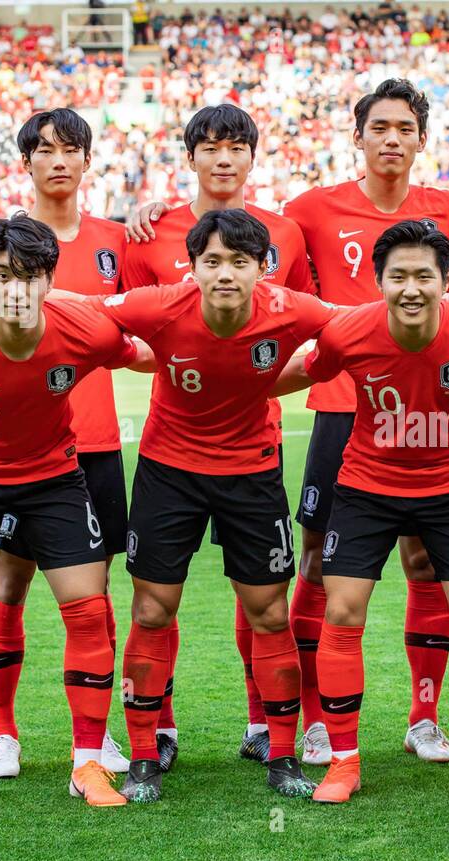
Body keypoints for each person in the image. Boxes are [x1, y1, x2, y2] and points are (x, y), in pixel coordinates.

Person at [272, 220, 449, 804]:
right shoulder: (349, 332)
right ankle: (342, 763)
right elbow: (297, 373)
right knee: (341, 610)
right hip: (366, 486)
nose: (411, 288)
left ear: (445, 281)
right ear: (379, 281)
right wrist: (234, 384)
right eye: (398, 277)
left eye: (424, 276)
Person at [89, 209, 342, 801]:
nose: (225, 274)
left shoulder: (291, 309)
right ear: (193, 267)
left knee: (271, 615)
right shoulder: (159, 304)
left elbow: (359, 324)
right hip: (167, 474)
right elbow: (83, 310)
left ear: (262, 268)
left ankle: (282, 757)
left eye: (239, 262)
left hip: (251, 475)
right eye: (212, 262)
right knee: (152, 611)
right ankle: (145, 759)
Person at [0, 214, 153, 812]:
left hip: (54, 481)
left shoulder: (82, 331)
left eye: (28, 277)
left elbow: (143, 351)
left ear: (49, 280)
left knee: (90, 614)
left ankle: (87, 764)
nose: (14, 291)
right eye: (1, 277)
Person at [123, 104, 317, 771]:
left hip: (254, 449)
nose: (224, 158)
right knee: (153, 603)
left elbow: (311, 335)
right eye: (210, 146)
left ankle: (267, 727)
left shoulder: (286, 233)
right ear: (191, 157)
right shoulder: (149, 230)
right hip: (169, 450)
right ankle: (160, 733)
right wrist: (187, 367)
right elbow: (121, 331)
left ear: (253, 156)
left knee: (262, 599)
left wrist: (250, 382)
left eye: (236, 146)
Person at [0, 108, 131, 782]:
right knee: (7, 581)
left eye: (70, 149)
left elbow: (151, 307)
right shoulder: (7, 244)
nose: (57, 159)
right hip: (17, 452)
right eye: (43, 149)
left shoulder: (121, 238)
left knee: (91, 595)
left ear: (87, 161)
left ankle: (92, 744)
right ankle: (1, 733)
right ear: (26, 162)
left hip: (92, 446)